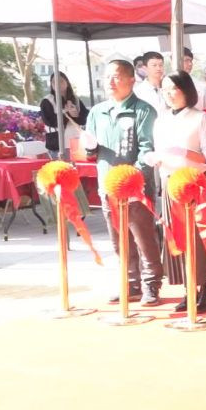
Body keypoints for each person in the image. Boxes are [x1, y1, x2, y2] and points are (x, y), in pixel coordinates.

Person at [80, 60, 163, 305]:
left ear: (131, 80)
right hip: (108, 186)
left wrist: (132, 177)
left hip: (136, 187)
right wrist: (89, 147)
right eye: (107, 77)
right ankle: (130, 283)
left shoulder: (143, 110)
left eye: (116, 77)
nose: (110, 82)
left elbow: (147, 149)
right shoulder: (97, 112)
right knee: (119, 240)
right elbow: (91, 154)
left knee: (144, 237)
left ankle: (151, 284)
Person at [148, 71, 206, 312]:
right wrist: (155, 158)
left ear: (186, 90)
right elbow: (159, 151)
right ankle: (188, 289)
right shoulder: (161, 120)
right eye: (165, 89)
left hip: (193, 183)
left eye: (174, 89)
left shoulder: (200, 118)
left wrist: (185, 153)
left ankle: (204, 287)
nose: (169, 94)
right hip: (170, 183)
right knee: (176, 238)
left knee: (198, 238)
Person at [40, 71, 88, 159]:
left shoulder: (75, 99)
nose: (57, 84)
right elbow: (49, 121)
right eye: (54, 82)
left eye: (61, 81)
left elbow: (84, 118)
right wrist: (67, 114)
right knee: (60, 167)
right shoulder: (47, 101)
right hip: (57, 143)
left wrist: (75, 115)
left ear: (67, 83)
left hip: (75, 142)